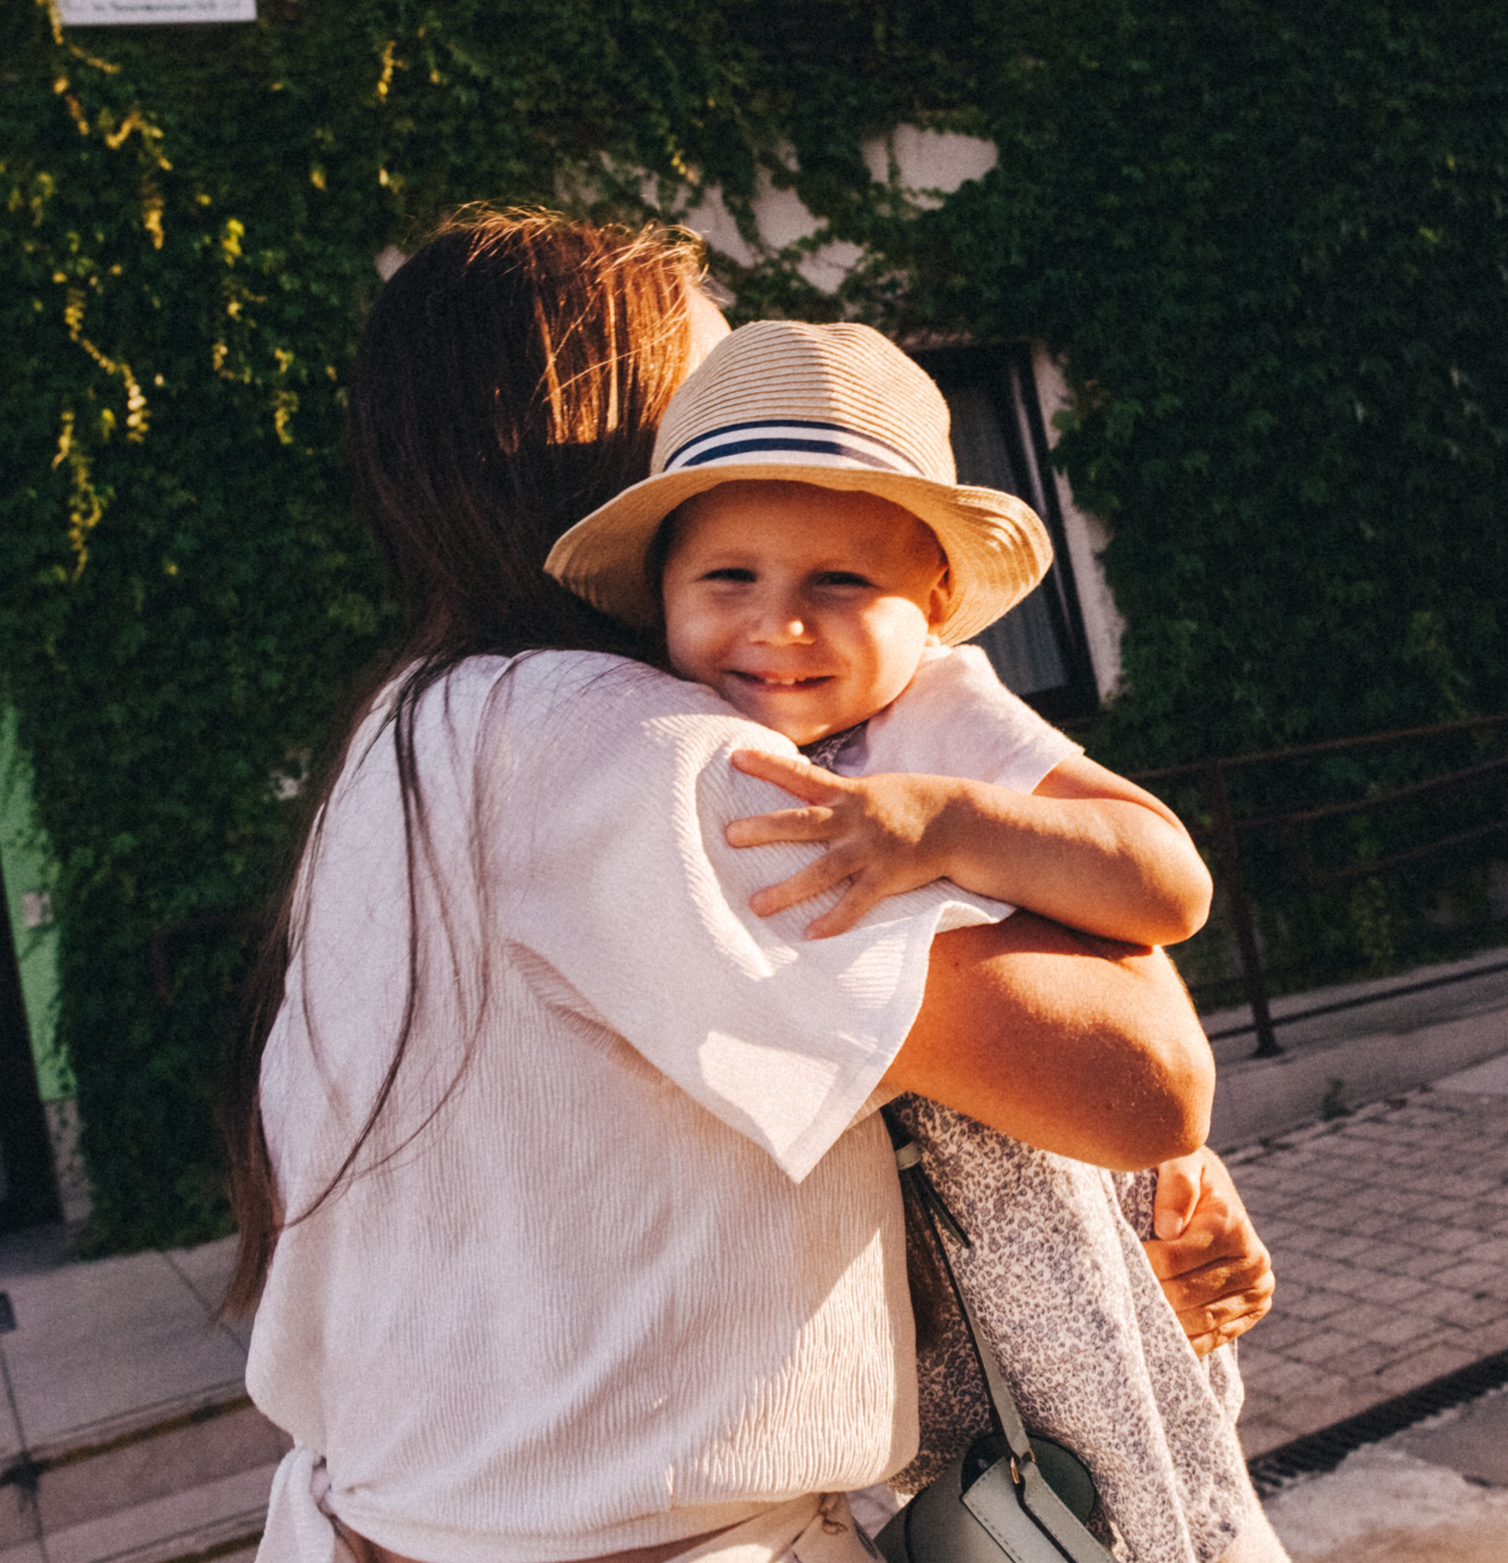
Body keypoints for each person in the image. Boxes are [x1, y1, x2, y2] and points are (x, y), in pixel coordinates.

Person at [226, 212, 1265, 1563]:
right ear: (631, 473)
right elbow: (1145, 1078)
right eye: (713, 405)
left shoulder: (402, 739)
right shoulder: (641, 758)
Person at [542, 315, 1285, 1563]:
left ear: (934, 604)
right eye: (728, 580)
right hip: (886, 1240)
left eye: (840, 583)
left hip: (1039, 1191)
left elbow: (1166, 879)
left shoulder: (941, 714)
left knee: (1115, 1491)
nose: (778, 626)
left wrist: (951, 820)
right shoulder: (664, 739)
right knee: (966, 1511)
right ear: (661, 591)